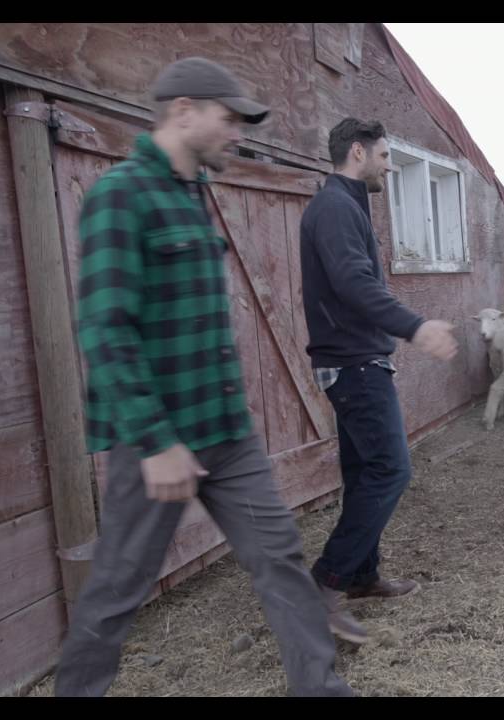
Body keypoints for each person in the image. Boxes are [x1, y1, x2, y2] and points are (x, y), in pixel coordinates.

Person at [55, 57, 351, 697]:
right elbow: (105, 329)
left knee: (280, 557)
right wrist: (157, 443)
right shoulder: (120, 195)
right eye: (229, 119)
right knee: (118, 587)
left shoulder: (193, 192)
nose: (237, 133)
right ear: (183, 111)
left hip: (225, 429)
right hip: (156, 438)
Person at [298, 118, 459, 644]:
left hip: (355, 359)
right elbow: (353, 283)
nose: (390, 168)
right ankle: (325, 583)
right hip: (354, 363)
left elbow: (356, 281)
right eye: (386, 157)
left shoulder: (345, 206)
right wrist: (415, 326)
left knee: (365, 470)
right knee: (391, 469)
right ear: (358, 152)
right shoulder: (335, 208)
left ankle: (361, 575)